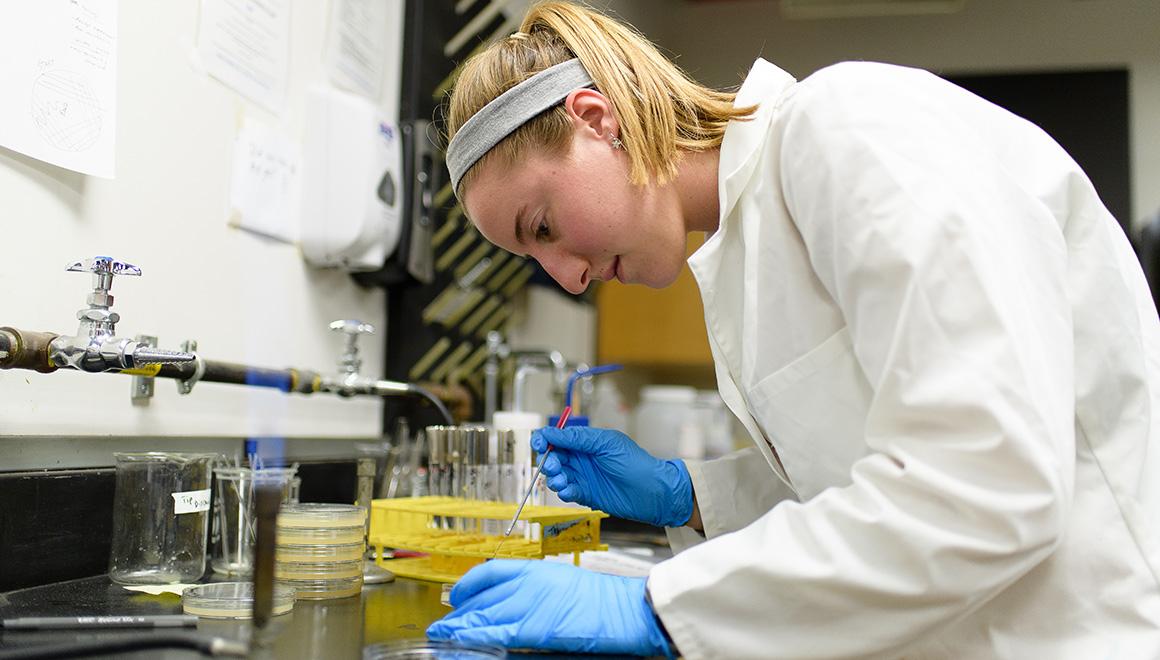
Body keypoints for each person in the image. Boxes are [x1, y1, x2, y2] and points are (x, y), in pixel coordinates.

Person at [426, 1, 1160, 657]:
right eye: (534, 255)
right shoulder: (745, 254)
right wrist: (692, 496)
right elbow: (867, 486)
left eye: (545, 226)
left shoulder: (848, 127)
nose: (568, 277)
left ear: (596, 119)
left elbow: (987, 484)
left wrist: (658, 608)